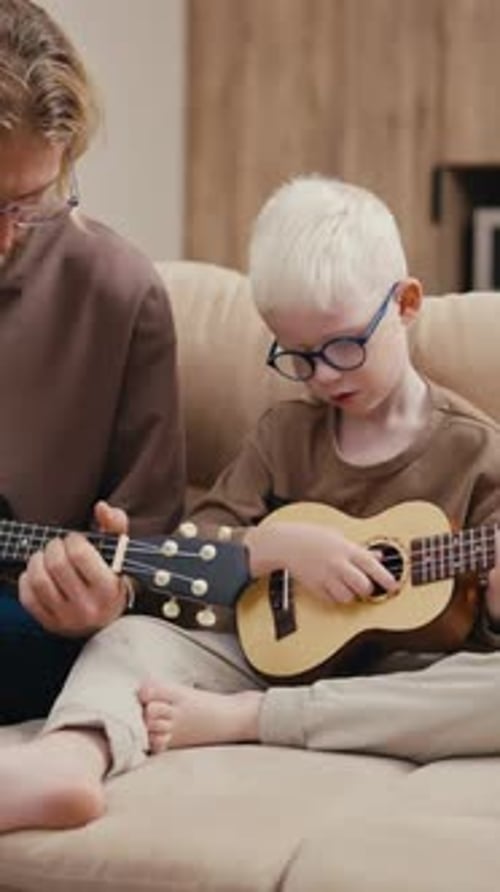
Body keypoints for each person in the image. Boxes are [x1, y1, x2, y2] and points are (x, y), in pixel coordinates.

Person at [2, 175, 500, 835]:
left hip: (396, 683)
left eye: (344, 347)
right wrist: (274, 548)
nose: (323, 376)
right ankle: (71, 755)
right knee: (133, 638)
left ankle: (252, 723)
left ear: (406, 304)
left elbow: (482, 633)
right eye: (298, 356)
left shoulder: (477, 452)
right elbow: (197, 543)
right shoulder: (284, 435)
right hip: (256, 655)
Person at [0, 0, 185, 724]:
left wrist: (110, 595)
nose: (4, 239)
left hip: (23, 623)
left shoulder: (122, 294)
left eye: (28, 202)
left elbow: (153, 545)